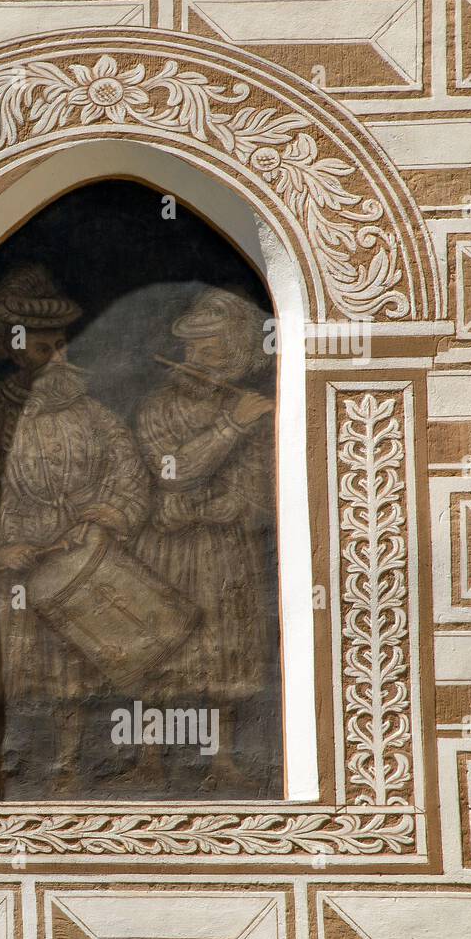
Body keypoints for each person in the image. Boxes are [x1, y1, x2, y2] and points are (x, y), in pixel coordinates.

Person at [0, 264, 150, 797]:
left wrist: (111, 514)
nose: (57, 358)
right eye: (43, 349)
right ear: (16, 351)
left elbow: (126, 471)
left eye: (61, 347)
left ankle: (67, 766)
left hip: (75, 554)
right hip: (10, 556)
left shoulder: (95, 415)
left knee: (68, 676)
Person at [131, 287, 277, 794]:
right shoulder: (158, 408)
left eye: (210, 349)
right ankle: (149, 756)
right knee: (160, 647)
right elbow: (173, 471)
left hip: (225, 549)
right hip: (167, 547)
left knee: (226, 649)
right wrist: (231, 426)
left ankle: (223, 759)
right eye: (192, 347)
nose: (197, 358)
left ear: (233, 354)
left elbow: (260, 486)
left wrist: (231, 503)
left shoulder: (252, 410)